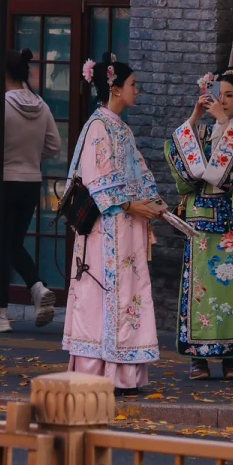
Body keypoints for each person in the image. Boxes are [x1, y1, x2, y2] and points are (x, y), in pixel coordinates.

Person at [62, 55, 165, 391]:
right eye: (133, 84)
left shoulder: (120, 128)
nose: (138, 90)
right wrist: (136, 205)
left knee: (127, 295)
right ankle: (100, 371)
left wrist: (153, 203)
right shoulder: (98, 127)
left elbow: (139, 173)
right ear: (116, 89)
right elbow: (98, 182)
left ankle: (122, 373)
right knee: (103, 294)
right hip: (106, 230)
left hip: (127, 227)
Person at [164, 67, 233, 380]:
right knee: (200, 290)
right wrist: (194, 119)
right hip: (199, 223)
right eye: (219, 95)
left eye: (230, 95)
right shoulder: (202, 134)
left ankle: (231, 357)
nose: (223, 100)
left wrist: (223, 122)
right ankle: (198, 358)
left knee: (232, 290)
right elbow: (184, 174)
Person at [0, 46, 63, 332]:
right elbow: (54, 146)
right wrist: (32, 155)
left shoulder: (0, 104)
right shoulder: (41, 105)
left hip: (3, 181)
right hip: (31, 182)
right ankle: (37, 288)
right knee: (10, 244)